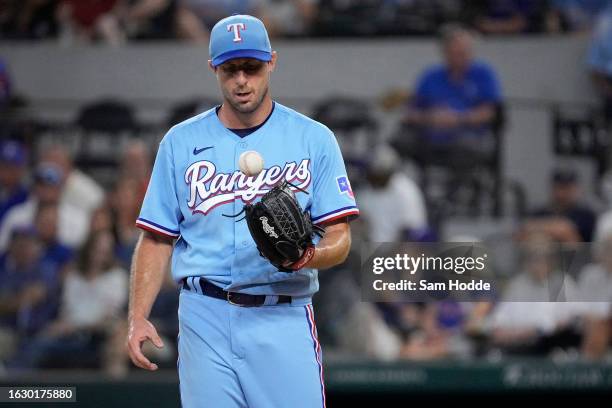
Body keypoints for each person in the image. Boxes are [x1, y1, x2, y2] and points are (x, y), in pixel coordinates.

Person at [127, 14, 359, 408]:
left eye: (251, 67)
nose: (241, 80)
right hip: (205, 315)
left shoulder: (313, 139)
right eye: (230, 68)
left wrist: (309, 256)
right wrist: (137, 315)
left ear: (271, 61)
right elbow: (156, 237)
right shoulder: (179, 143)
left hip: (282, 315)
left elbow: (340, 236)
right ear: (213, 68)